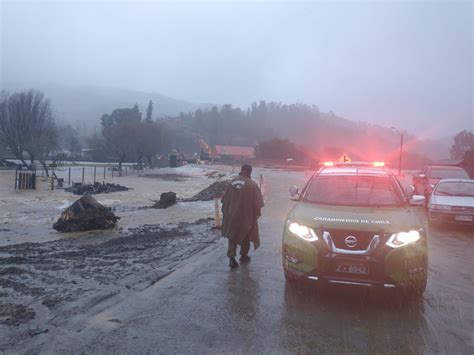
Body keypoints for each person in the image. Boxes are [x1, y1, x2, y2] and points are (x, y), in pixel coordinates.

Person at [221, 164, 264, 269]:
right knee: (245, 235)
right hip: (246, 216)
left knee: (232, 236)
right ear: (250, 172)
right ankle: (243, 255)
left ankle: (231, 259)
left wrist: (226, 212)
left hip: (232, 215)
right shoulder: (252, 185)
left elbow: (224, 200)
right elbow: (258, 204)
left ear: (241, 170)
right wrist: (256, 215)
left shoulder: (231, 182)